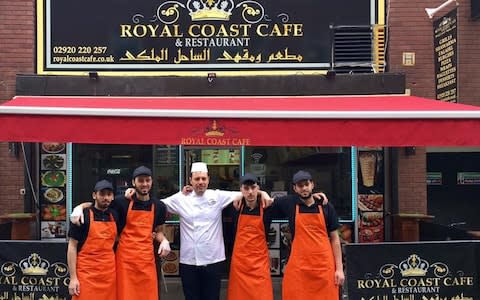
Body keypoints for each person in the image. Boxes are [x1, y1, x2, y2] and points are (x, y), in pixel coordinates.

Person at [71, 166, 170, 300]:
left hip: (146, 261)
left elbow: (158, 231)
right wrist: (79, 207)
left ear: (152, 182)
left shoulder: (159, 206)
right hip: (125, 262)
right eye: (140, 180)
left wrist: (164, 241)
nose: (144, 184)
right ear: (134, 183)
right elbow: (98, 205)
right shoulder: (121, 202)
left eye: (147, 180)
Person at [276, 170, 345, 299]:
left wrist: (339, 269)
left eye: (306, 184)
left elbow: (335, 239)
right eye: (300, 186)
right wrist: (260, 193)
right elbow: (266, 201)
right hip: (299, 270)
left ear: (312, 185)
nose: (304, 188)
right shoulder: (290, 203)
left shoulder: (326, 206)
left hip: (324, 268)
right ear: (295, 188)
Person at [67, 180, 118, 300]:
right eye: (102, 194)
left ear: (113, 197)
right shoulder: (82, 216)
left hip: (108, 274)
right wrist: (73, 278)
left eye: (109, 194)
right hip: (86, 274)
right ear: (94, 195)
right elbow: (72, 246)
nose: (106, 197)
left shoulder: (115, 215)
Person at [227, 173, 274, 300]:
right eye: (246, 189)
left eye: (253, 188)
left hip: (259, 266)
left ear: (257, 188)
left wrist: (315, 196)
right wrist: (190, 191)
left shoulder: (267, 207)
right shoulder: (235, 207)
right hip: (240, 267)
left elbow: (295, 201)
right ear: (241, 190)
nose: (250, 192)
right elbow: (210, 198)